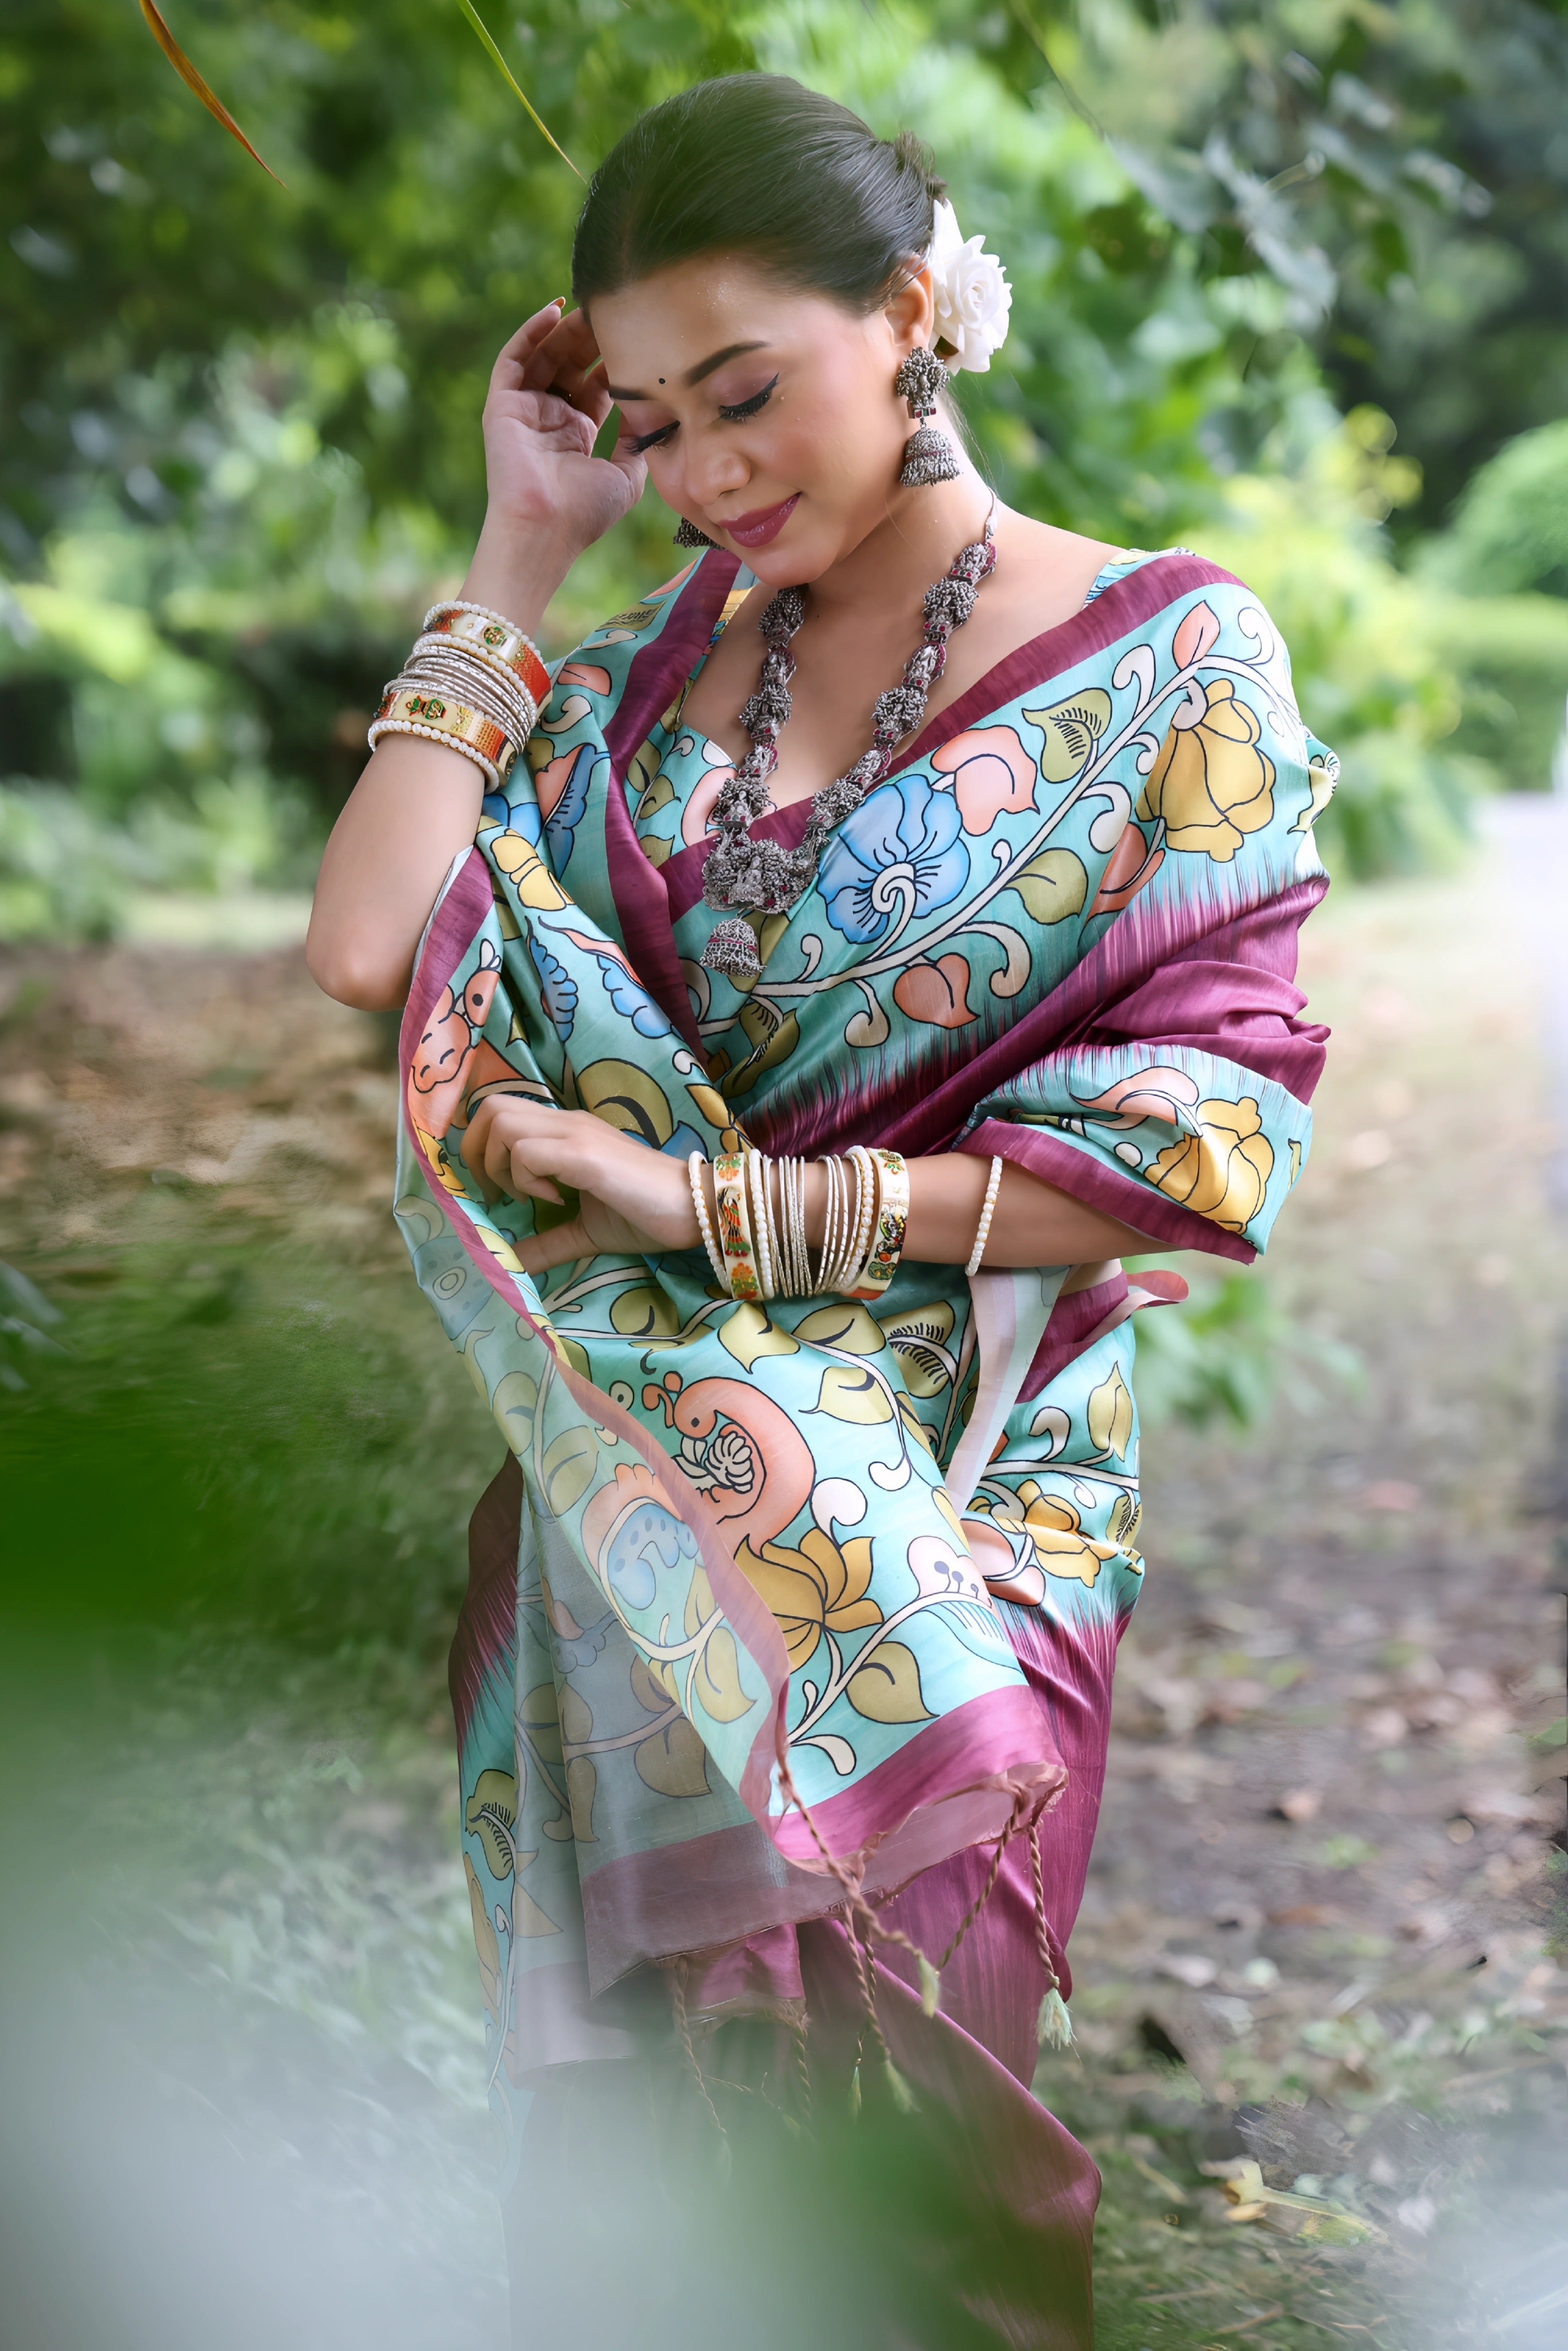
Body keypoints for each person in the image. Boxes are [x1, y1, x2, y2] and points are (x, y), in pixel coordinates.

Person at [307, 71, 1331, 2348]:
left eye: (743, 393)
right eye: (654, 422)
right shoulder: (636, 684)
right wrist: (519, 553)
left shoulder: (1171, 668)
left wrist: (706, 1199)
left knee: (903, 2212)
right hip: (628, 1523)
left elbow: (1191, 1149)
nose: (703, 472)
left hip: (956, 1530)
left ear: (905, 311)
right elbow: (374, 946)